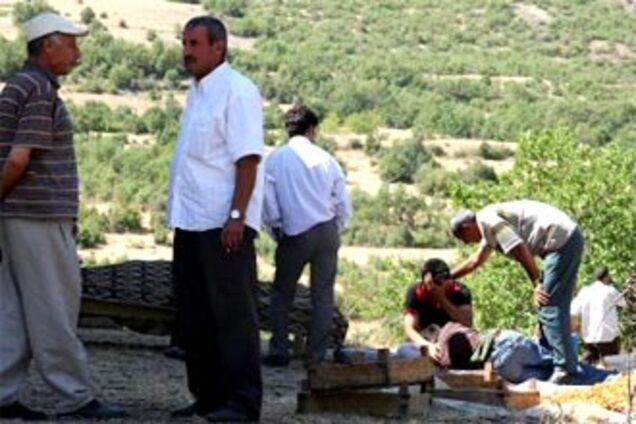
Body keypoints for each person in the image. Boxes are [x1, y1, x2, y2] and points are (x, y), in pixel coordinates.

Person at [0, 12, 126, 420]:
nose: (77, 53)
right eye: (70, 44)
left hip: (17, 216)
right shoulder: (39, 90)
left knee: (13, 310)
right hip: (38, 216)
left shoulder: (18, 85)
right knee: (55, 306)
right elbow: (18, 159)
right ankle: (76, 395)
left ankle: (3, 394)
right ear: (47, 45)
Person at [166, 15, 264, 422]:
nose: (187, 51)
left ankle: (242, 402)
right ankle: (207, 396)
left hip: (223, 223)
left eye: (195, 44)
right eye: (184, 43)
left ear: (218, 47)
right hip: (190, 219)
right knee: (196, 313)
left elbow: (247, 159)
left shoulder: (238, 91)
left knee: (233, 315)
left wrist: (236, 216)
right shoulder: (196, 93)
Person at [449, 200, 584, 384]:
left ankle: (565, 369)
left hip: (562, 243)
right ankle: (553, 362)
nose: (465, 242)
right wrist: (448, 276)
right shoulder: (487, 224)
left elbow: (520, 249)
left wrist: (537, 283)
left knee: (549, 304)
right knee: (546, 307)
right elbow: (475, 261)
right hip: (562, 241)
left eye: (462, 237)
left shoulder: (489, 221)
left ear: (467, 227)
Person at [262, 105, 352, 366]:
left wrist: (276, 228)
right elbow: (342, 202)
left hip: (294, 232)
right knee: (323, 296)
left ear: (288, 129)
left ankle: (280, 350)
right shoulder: (327, 159)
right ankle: (316, 356)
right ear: (312, 129)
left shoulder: (275, 159)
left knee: (282, 293)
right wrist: (336, 227)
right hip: (327, 230)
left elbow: (268, 202)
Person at [398, 258, 473, 357]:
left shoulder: (460, 291)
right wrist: (428, 346)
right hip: (425, 341)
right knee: (403, 349)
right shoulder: (415, 292)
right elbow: (409, 328)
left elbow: (466, 322)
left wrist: (441, 298)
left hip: (452, 341)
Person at [571, 266, 626, 365]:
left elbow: (573, 311)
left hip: (589, 338)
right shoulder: (610, 290)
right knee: (612, 366)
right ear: (606, 277)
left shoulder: (584, 291)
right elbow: (624, 304)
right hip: (608, 337)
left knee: (589, 365)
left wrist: (577, 328)